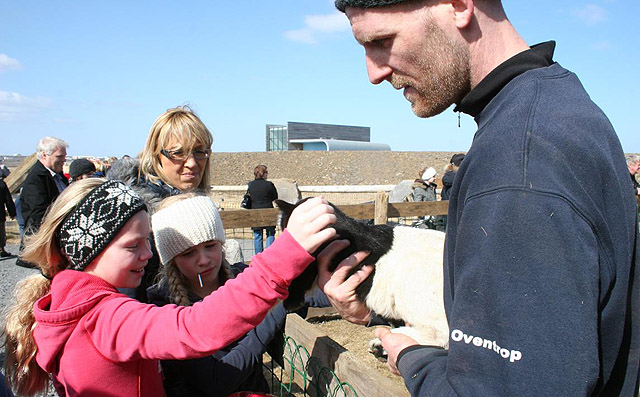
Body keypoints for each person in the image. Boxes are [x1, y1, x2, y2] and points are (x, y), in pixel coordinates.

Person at [321, 1, 640, 395]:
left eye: (382, 40)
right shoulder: (561, 111)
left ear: (458, 6)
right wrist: (376, 318)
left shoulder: (518, 159)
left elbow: (512, 387)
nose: (374, 72)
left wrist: (415, 358)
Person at [2, 178, 337, 396]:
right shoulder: (104, 317)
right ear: (91, 249)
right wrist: (287, 252)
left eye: (147, 242)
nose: (148, 255)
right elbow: (194, 328)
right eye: (134, 246)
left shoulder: (64, 303)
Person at [147, 194, 289, 396]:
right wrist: (273, 313)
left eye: (210, 245)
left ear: (221, 243)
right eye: (188, 253)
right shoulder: (163, 307)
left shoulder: (242, 277)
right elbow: (216, 381)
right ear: (172, 259)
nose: (203, 260)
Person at [108, 105, 215, 300]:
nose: (191, 163)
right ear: (156, 154)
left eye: (199, 152)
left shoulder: (189, 208)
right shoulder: (136, 217)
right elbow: (127, 299)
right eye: (178, 153)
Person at [17, 136, 68, 268]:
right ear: (45, 155)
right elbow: (39, 214)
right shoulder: (36, 180)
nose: (64, 160)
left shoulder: (59, 176)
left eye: (64, 156)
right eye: (59, 156)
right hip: (45, 245)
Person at [247, 165, 278, 254]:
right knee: (270, 233)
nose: (267, 174)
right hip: (268, 211)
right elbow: (275, 197)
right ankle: (269, 254)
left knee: (257, 235)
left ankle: (258, 256)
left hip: (255, 211)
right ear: (263, 174)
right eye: (266, 172)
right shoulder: (269, 184)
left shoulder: (251, 185)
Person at [0, 178, 16, 258]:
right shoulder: (1, 184)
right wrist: (12, 212)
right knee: (1, 232)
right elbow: (8, 199)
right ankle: (1, 249)